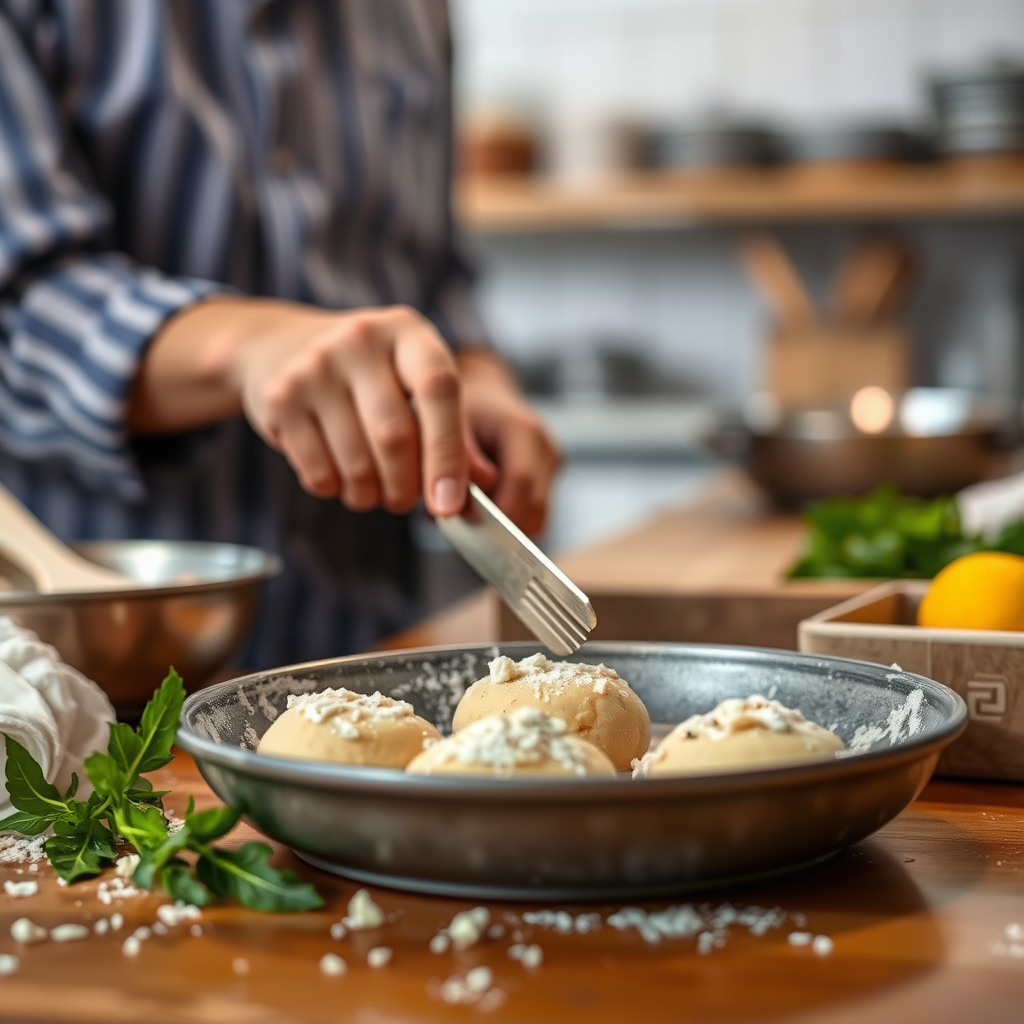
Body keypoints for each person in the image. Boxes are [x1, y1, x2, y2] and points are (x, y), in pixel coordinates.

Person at [0, 0, 559, 667]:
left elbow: (437, 272)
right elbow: (19, 296)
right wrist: (240, 350)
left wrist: (475, 377)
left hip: (364, 647)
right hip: (83, 674)